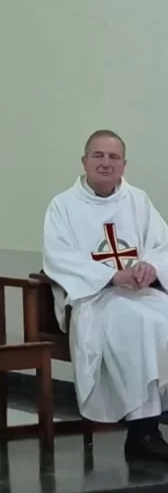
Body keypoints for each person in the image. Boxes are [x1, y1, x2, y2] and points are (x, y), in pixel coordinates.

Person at [43, 129, 168, 461]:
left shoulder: (138, 200)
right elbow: (59, 257)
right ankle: (142, 433)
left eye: (113, 157)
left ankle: (157, 418)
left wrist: (150, 268)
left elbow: (161, 246)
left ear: (124, 165)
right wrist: (112, 275)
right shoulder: (63, 206)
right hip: (96, 299)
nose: (105, 163)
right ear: (84, 161)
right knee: (139, 322)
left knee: (159, 317)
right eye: (98, 155)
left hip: (141, 293)